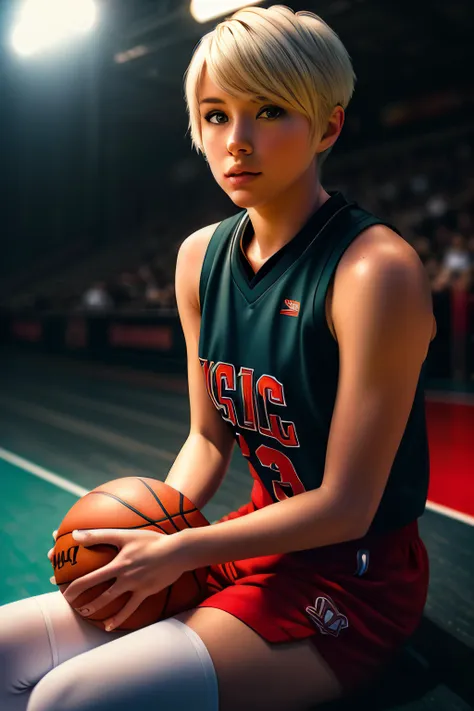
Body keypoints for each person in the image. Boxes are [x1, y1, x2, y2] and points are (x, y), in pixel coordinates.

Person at [0, 5, 436, 711]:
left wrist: (176, 552)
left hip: (355, 577)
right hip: (243, 541)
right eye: (213, 115)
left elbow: (349, 506)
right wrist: (140, 532)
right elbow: (208, 439)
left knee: (68, 699)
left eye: (267, 111)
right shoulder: (199, 258)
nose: (236, 142)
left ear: (327, 125)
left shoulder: (374, 270)